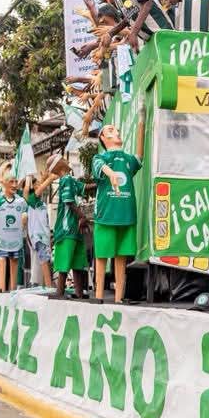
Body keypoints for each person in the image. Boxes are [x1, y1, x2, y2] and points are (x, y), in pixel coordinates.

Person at [92, 122, 145, 304]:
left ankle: (118, 298)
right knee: (102, 256)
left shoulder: (128, 160)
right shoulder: (101, 157)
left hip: (126, 214)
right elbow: (101, 167)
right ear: (103, 138)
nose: (116, 132)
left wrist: (141, 123)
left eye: (116, 129)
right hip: (106, 215)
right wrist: (111, 173)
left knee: (121, 258)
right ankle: (98, 296)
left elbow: (139, 157)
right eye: (110, 130)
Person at [49, 156, 90, 299]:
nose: (67, 162)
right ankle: (61, 291)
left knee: (74, 261)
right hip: (68, 226)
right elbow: (69, 202)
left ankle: (72, 292)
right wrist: (82, 217)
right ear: (60, 166)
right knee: (67, 261)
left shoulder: (71, 180)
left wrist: (102, 182)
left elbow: (84, 188)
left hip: (72, 227)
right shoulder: (66, 179)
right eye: (64, 160)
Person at [0, 174, 28, 292]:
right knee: (1, 259)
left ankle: (13, 290)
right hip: (2, 239)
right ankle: (1, 289)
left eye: (16, 182)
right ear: (4, 184)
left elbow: (25, 213)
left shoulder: (20, 201)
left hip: (15, 240)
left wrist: (24, 218)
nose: (14, 185)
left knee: (14, 261)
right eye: (11, 182)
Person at [24, 175, 53, 287]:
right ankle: (49, 286)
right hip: (38, 236)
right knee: (44, 260)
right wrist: (50, 179)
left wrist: (46, 175)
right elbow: (35, 189)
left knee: (45, 261)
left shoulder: (42, 203)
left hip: (44, 235)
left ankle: (45, 284)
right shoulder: (32, 200)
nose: (40, 186)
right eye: (37, 185)